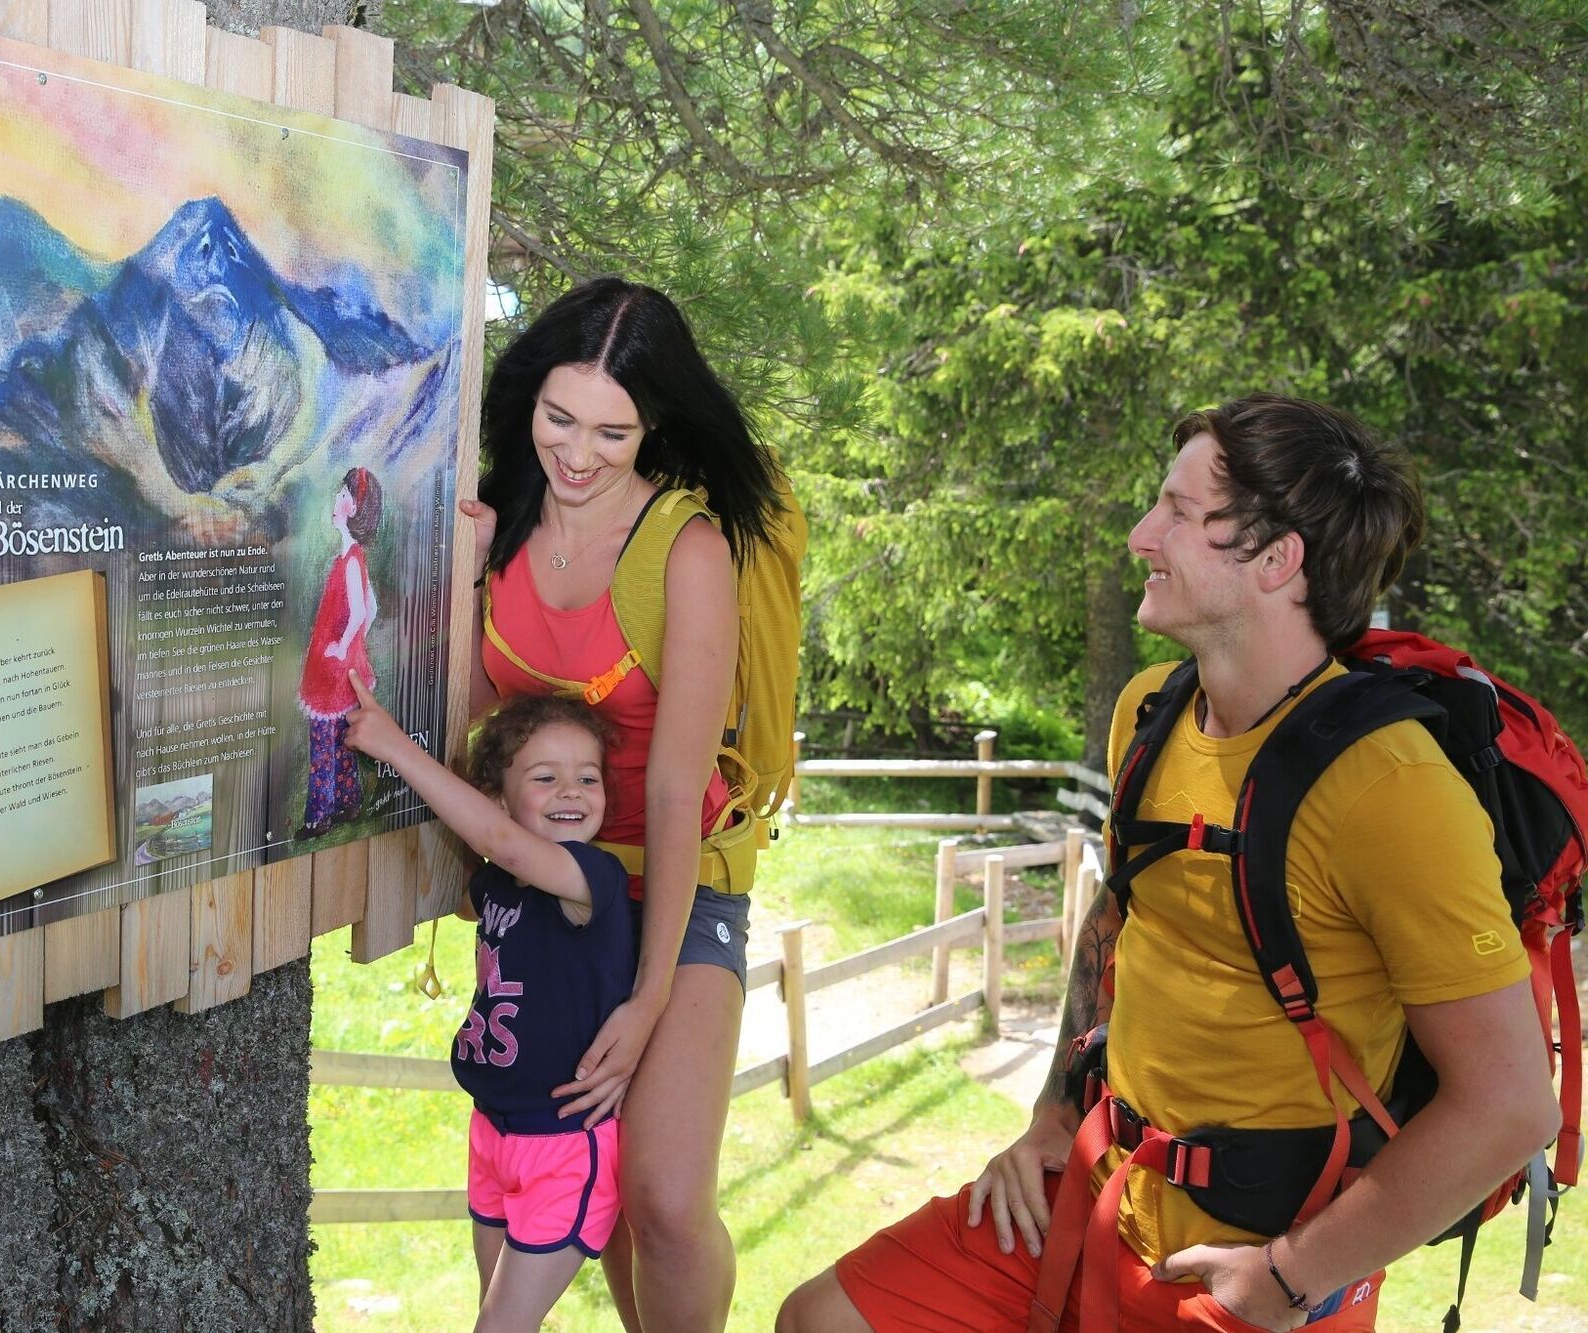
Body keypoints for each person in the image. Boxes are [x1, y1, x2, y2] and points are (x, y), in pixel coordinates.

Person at [778, 394, 1560, 1332]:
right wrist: (1052, 1114)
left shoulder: (1392, 788)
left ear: (1276, 560)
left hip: (1261, 1264)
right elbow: (1119, 921)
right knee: (821, 1317)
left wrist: (1285, 1279)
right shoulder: (1151, 711)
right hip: (1098, 1194)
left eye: (1180, 513)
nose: (1141, 535)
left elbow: (1511, 1106)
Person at [458, 276, 790, 1331]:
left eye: (613, 431)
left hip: (676, 880)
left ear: (652, 426)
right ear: (529, 397)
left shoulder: (686, 549)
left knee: (664, 1198)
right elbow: (471, 718)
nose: (577, 452)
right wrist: (464, 575)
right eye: (559, 417)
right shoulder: (502, 520)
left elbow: (672, 789)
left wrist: (647, 1000)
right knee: (597, 1193)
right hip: (556, 894)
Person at [343, 681, 635, 1332]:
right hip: (492, 1131)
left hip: (563, 1145)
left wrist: (395, 747)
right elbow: (481, 869)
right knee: (495, 1314)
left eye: (588, 778)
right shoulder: (498, 882)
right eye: (546, 777)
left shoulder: (593, 880)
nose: (571, 791)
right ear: (499, 795)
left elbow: (501, 839)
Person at [296, 466, 381, 839]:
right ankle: (349, 801)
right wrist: (355, 645)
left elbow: (361, 611)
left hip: (332, 671)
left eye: (343, 496)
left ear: (354, 508)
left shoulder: (350, 561)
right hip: (344, 668)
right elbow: (372, 608)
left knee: (323, 743)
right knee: (343, 738)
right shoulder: (352, 557)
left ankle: (319, 817)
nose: (336, 501)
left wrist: (343, 645)